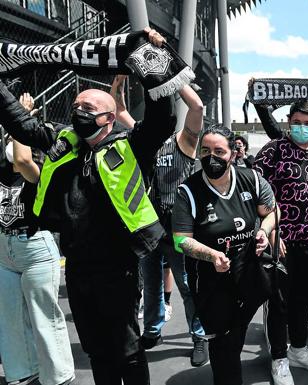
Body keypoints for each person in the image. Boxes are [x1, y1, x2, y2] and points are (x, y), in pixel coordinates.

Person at [0, 27, 174, 385]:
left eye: (87, 107)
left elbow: (163, 118)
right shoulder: (61, 142)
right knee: (95, 349)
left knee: (126, 349)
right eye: (76, 105)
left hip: (118, 269)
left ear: (108, 118)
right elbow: (20, 122)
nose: (78, 110)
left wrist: (150, 56)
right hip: (77, 268)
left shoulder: (131, 146)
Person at [172, 124, 291, 385]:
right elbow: (181, 240)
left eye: (218, 151)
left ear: (233, 154)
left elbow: (272, 211)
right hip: (213, 280)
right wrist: (211, 255)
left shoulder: (252, 179)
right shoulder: (188, 192)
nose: (211, 157)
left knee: (273, 302)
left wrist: (264, 231)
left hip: (249, 271)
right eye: (205, 150)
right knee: (225, 345)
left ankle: (280, 357)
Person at [109, 75, 208, 365]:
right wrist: (117, 91)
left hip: (178, 225)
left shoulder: (185, 141)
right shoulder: (145, 137)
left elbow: (198, 106)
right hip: (149, 224)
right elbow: (121, 113)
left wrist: (170, 78)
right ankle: (153, 329)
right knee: (151, 283)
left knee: (187, 283)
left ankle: (199, 335)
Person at [254, 98, 308, 373]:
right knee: (279, 302)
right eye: (297, 122)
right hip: (280, 243)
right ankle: (279, 358)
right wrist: (270, 231)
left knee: (303, 299)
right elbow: (254, 192)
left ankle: (298, 349)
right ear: (289, 121)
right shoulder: (273, 151)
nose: (301, 128)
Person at [0, 93, 74, 385]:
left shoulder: (42, 155)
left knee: (45, 319)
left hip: (34, 246)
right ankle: (23, 375)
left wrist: (21, 117)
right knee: (10, 321)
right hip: (4, 248)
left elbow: (22, 159)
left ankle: (59, 378)